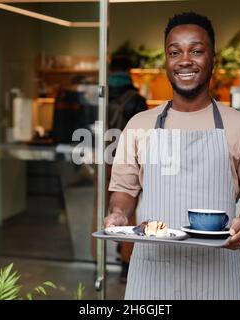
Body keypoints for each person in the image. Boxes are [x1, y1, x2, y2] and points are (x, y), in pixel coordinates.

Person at [104, 12, 240, 299]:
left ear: (213, 59)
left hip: (217, 273)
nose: (185, 60)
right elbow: (124, 189)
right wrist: (119, 214)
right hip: (152, 273)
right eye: (175, 52)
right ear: (166, 62)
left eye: (196, 51)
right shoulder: (139, 125)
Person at [91, 56, 147, 282]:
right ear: (129, 70)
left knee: (101, 212)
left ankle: (98, 263)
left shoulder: (100, 95)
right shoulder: (136, 100)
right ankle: (126, 265)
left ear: (111, 69)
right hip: (127, 163)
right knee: (128, 214)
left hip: (102, 161)